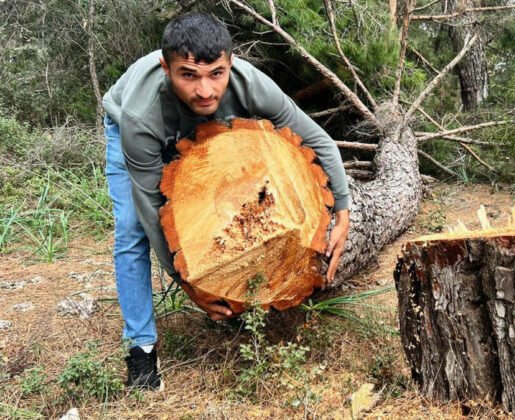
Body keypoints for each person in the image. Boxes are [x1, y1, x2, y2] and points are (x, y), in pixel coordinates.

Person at [102, 13, 350, 391]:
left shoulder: (251, 84)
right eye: (188, 75)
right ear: (165, 68)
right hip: (131, 128)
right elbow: (155, 213)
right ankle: (141, 350)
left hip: (203, 134)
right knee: (132, 232)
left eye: (216, 74)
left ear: (230, 64)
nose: (204, 90)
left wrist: (344, 213)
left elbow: (318, 141)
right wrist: (191, 283)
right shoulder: (139, 117)